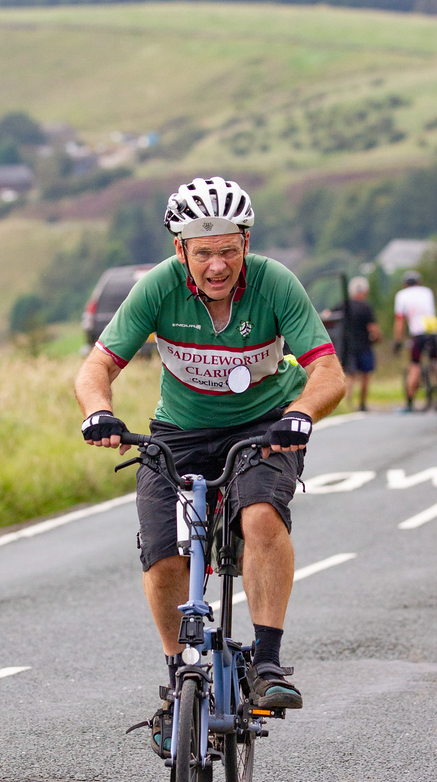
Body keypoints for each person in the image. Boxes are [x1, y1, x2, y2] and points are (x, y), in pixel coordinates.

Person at [75, 176, 346, 750]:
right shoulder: (158, 288)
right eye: (204, 253)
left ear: (245, 243)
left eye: (228, 249)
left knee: (261, 518)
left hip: (265, 423)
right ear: (181, 251)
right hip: (180, 430)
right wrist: (99, 413)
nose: (218, 265)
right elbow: (96, 369)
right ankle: (179, 679)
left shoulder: (275, 284)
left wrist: (300, 414)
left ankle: (267, 665)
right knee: (163, 553)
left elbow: (328, 372)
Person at [393, 270, 437, 412]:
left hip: (418, 333)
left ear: (405, 284)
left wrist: (397, 341)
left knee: (414, 365)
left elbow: (400, 321)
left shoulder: (402, 295)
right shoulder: (427, 292)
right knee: (436, 362)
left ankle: (409, 403)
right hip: (432, 330)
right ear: (419, 282)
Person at [342, 275, 382, 412]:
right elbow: (373, 329)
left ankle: (347, 404)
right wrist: (378, 338)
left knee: (350, 376)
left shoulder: (343, 305)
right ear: (364, 291)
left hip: (348, 347)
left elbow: (329, 316)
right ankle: (362, 404)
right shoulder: (366, 307)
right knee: (365, 376)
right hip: (364, 346)